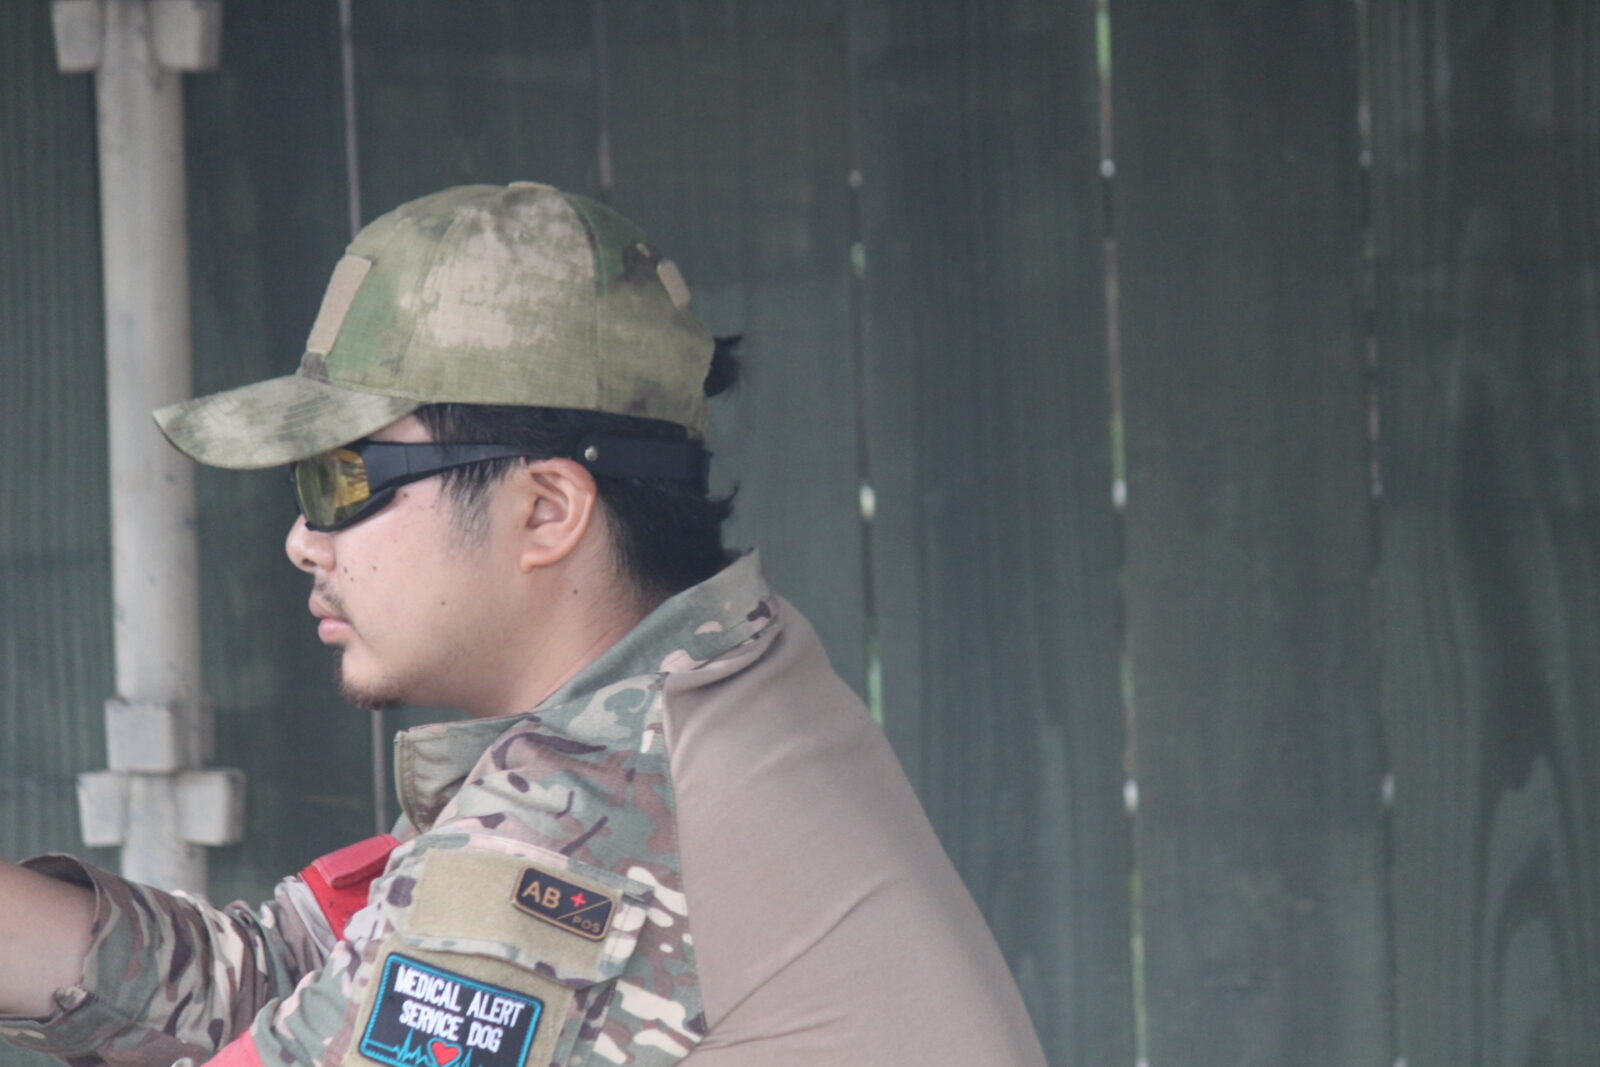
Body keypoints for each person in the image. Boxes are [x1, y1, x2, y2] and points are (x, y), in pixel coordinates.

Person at [0, 183, 1047, 1066]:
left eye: (344, 479)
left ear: (547, 509)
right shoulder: (708, 685)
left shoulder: (595, 807)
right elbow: (296, 976)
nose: (303, 540)